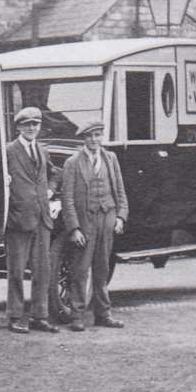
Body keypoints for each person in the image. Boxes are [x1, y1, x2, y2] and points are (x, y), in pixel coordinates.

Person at [60, 119, 128, 331]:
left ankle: (103, 314)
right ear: (83, 139)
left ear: (102, 137)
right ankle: (77, 316)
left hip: (107, 218)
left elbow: (120, 190)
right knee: (80, 269)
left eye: (97, 135)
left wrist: (121, 217)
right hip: (86, 222)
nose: (94, 140)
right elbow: (67, 198)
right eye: (89, 136)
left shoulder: (111, 158)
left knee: (103, 268)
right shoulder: (72, 162)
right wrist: (74, 228)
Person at [4, 106, 60, 334]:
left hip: (42, 218)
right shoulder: (9, 151)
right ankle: (15, 316)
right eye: (27, 124)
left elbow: (56, 173)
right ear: (18, 127)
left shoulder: (42, 150)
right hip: (19, 218)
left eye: (35, 124)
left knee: (42, 269)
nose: (31, 128)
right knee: (16, 270)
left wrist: (50, 190)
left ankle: (40, 315)